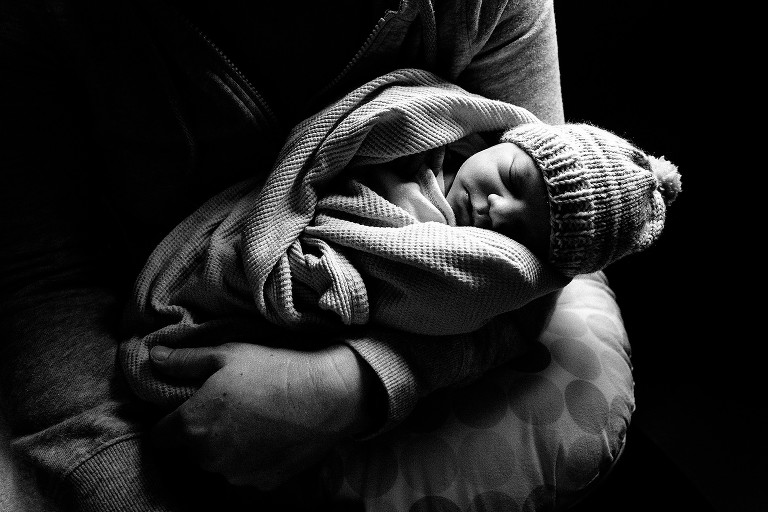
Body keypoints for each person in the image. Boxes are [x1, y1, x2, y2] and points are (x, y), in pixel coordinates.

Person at [0, 0, 637, 509]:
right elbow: (46, 284)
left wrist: (351, 383)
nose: (494, 211)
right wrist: (124, 483)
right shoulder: (49, 23)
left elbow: (535, 275)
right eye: (511, 184)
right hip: (152, 325)